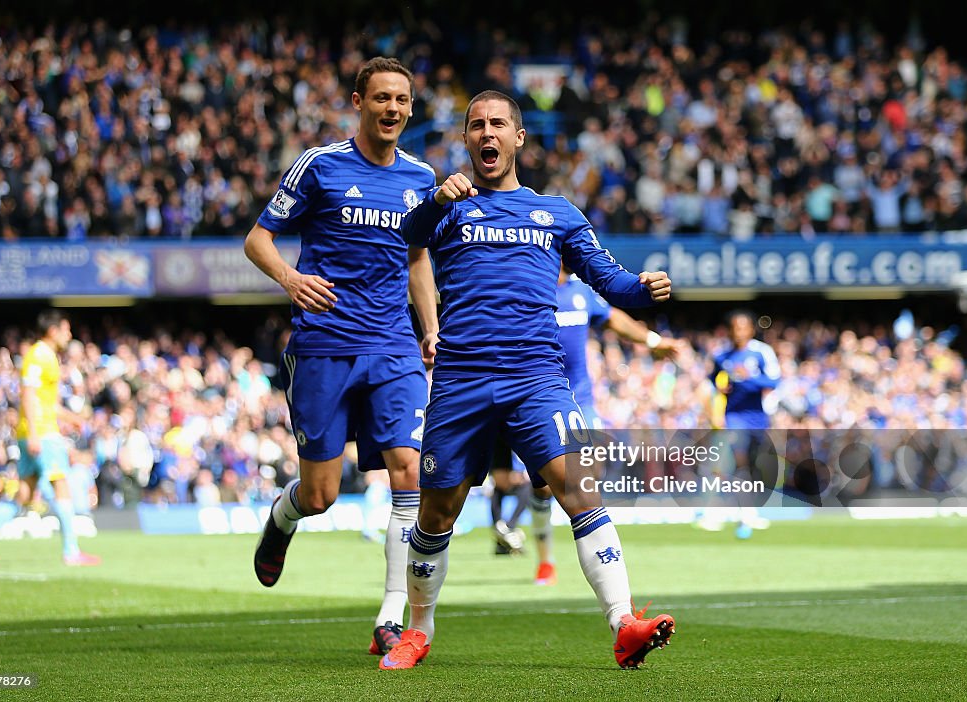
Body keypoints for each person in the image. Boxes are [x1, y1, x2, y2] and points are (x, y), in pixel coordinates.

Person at [380, 90, 675, 670]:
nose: (486, 134)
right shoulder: (446, 206)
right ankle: (418, 630)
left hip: (537, 379)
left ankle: (624, 623)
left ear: (518, 138)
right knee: (437, 514)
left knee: (582, 490)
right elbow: (401, 242)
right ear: (465, 140)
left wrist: (644, 289)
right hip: (461, 381)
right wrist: (437, 202)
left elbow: (609, 280)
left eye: (497, 125)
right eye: (475, 126)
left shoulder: (558, 213)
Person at [245, 57, 438, 657]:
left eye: (402, 101)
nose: (393, 110)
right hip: (324, 344)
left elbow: (417, 260)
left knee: (410, 470)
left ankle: (390, 615)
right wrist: (289, 279)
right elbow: (258, 239)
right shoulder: (320, 166)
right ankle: (282, 520)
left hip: (393, 345)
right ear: (358, 101)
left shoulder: (421, 178)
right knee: (322, 493)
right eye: (382, 98)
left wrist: (430, 327)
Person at [490, 265, 683, 587]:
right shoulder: (528, 286)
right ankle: (546, 561)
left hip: (579, 401)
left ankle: (599, 558)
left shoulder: (581, 293)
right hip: (537, 398)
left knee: (587, 473)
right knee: (543, 487)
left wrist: (651, 340)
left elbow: (614, 319)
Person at [0, 310, 100, 568]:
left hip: (38, 431)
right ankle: (71, 551)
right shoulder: (40, 355)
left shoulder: (45, 356)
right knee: (61, 485)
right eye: (66, 329)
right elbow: (27, 394)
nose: (69, 335)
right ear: (53, 330)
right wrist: (35, 435)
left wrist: (73, 418)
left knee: (24, 494)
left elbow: (45, 403)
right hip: (42, 434)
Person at [704, 309, 781, 538]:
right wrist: (720, 386)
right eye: (734, 328)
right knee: (739, 463)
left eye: (742, 327)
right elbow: (712, 378)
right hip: (734, 416)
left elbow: (773, 381)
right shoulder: (722, 356)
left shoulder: (761, 352)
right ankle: (742, 513)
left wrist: (748, 378)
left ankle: (750, 509)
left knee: (755, 465)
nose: (738, 332)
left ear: (750, 329)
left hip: (758, 418)